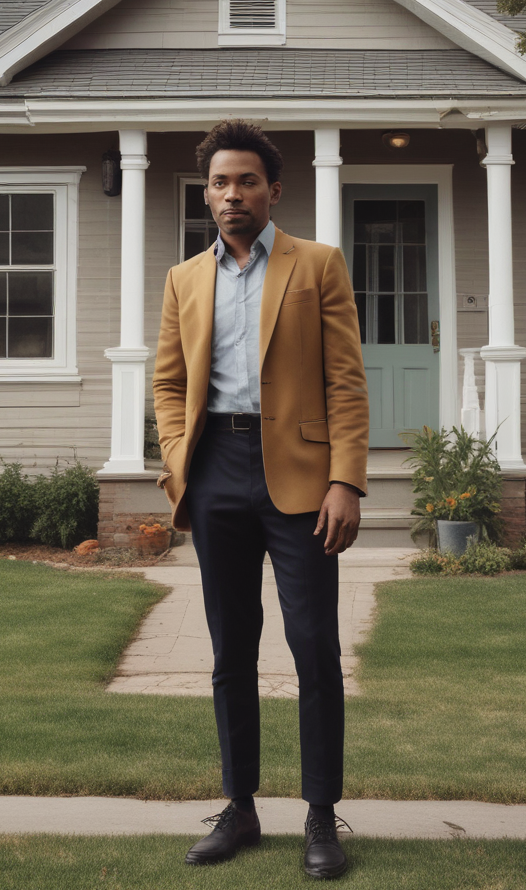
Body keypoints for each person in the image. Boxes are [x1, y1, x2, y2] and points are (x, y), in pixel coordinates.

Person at [152, 119, 369, 879]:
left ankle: (319, 817)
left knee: (314, 649)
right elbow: (169, 382)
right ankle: (239, 807)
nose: (232, 193)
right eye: (219, 181)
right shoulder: (185, 279)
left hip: (303, 482)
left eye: (246, 180)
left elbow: (346, 380)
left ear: (274, 190)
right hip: (215, 474)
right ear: (206, 193)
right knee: (229, 651)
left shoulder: (318, 265)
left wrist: (346, 479)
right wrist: (180, 462)